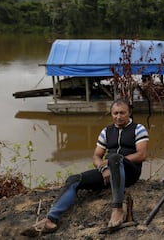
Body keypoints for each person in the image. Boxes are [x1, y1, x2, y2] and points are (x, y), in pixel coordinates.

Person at [33, 98, 149, 233]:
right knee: (74, 179)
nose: (118, 117)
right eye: (115, 113)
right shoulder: (106, 131)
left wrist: (115, 161)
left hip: (130, 172)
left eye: (122, 113)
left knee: (114, 158)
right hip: (109, 172)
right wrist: (103, 167)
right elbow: (96, 156)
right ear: (111, 114)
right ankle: (51, 219)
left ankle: (117, 209)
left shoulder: (138, 129)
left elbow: (142, 155)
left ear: (129, 113)